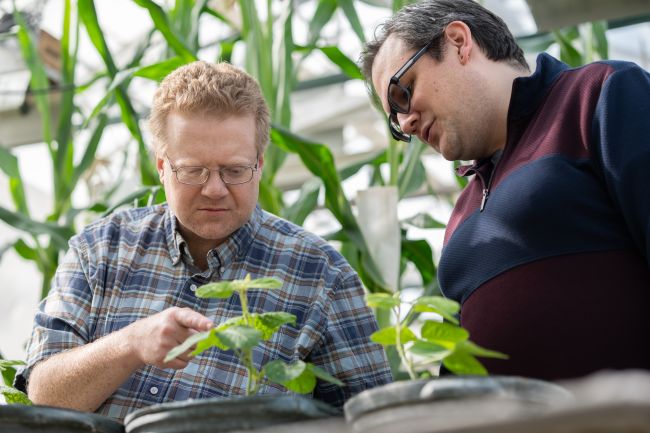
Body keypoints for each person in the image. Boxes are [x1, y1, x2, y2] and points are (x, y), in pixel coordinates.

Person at [17, 61, 392, 421]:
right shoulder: (100, 250)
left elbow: (375, 421)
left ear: (260, 164)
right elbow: (44, 395)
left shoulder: (322, 277)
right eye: (193, 170)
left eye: (234, 170)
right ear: (162, 167)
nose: (215, 190)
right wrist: (131, 344)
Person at [361, 0, 650, 380]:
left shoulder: (595, 96)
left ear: (458, 41)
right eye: (395, 122)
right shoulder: (462, 212)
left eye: (403, 94)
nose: (407, 122)